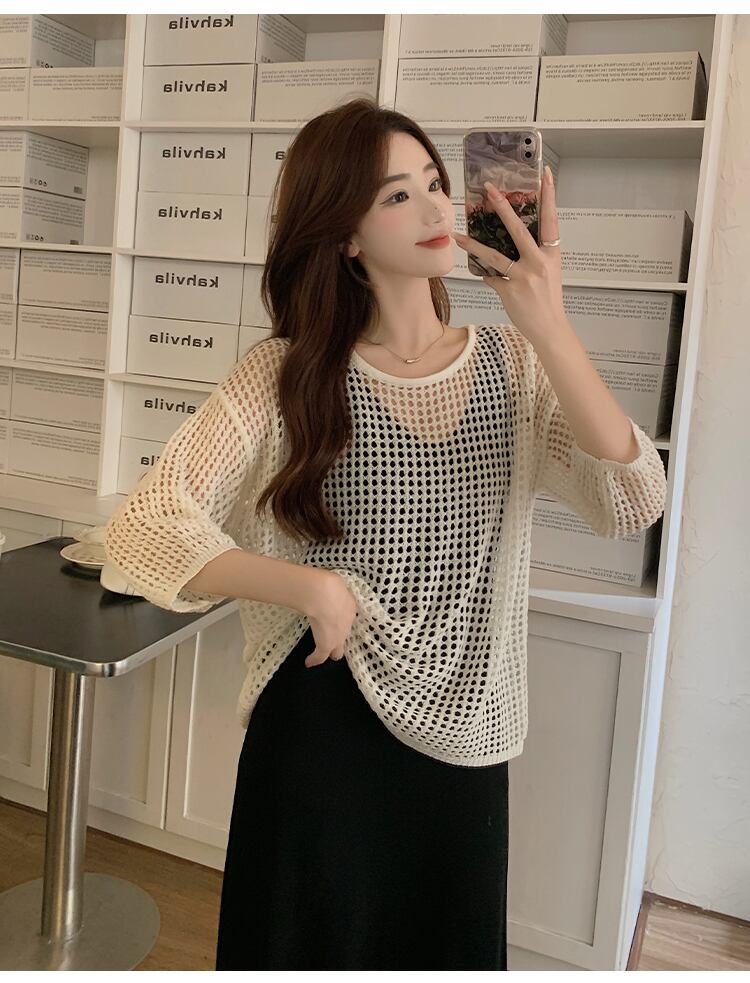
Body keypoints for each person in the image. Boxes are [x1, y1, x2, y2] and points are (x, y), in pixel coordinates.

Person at [103, 98, 668, 971]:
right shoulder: (286, 374)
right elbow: (144, 525)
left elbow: (632, 499)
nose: (437, 207)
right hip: (320, 722)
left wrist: (548, 322)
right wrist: (307, 584)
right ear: (346, 236)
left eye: (436, 183)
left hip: (468, 724)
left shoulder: (514, 362)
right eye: (397, 196)